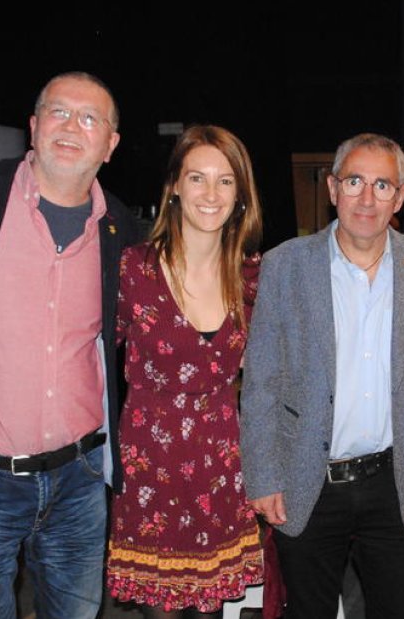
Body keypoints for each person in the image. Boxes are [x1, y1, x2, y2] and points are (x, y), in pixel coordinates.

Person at [0, 72, 142, 618]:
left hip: (80, 479)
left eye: (90, 118)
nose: (72, 127)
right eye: (59, 112)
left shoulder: (121, 229)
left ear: (110, 145)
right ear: (34, 126)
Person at [240, 133, 404, 619]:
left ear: (400, 197)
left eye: (382, 185)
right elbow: (263, 380)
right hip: (308, 478)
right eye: (355, 181)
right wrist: (264, 475)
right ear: (333, 187)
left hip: (396, 478)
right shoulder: (285, 265)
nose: (367, 198)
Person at [106, 125, 265, 617]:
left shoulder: (254, 279)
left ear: (240, 195)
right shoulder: (132, 270)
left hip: (219, 466)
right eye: (197, 178)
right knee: (163, 611)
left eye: (225, 181)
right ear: (174, 185)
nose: (210, 194)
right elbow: (80, 356)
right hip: (150, 464)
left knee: (211, 611)